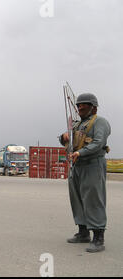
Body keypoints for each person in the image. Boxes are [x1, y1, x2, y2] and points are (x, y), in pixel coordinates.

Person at [60, 93, 111, 253]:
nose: (80, 107)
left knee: (93, 199)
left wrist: (80, 153)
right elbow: (68, 141)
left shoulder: (100, 122)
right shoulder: (77, 125)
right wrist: (63, 137)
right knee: (77, 199)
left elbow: (98, 142)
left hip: (92, 165)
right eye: (79, 105)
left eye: (85, 105)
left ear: (93, 107)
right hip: (77, 166)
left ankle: (98, 237)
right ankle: (83, 233)